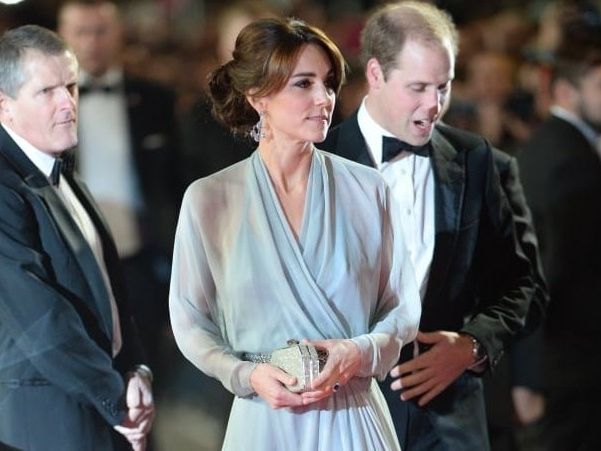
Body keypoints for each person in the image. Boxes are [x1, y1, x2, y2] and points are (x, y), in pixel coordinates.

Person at [169, 17, 421, 451]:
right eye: (304, 83)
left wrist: (359, 352)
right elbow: (190, 322)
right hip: (264, 418)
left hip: (353, 415)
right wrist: (246, 375)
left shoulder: (368, 190)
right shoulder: (209, 199)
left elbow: (403, 308)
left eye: (328, 83)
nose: (324, 98)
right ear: (258, 96)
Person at [320, 2, 541, 449]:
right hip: (341, 412)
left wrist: (472, 346)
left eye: (444, 86)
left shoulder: (476, 160)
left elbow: (522, 285)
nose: (435, 105)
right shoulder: (319, 159)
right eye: (418, 87)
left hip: (449, 416)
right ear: (376, 74)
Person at [0, 25, 154, 451]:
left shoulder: (63, 172)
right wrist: (115, 396)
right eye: (46, 91)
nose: (68, 103)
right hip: (47, 421)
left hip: (102, 404)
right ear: (4, 106)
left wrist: (137, 371)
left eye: (71, 86)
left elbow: (110, 291)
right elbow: (41, 319)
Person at [57, 0, 182, 375]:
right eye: (81, 32)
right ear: (62, 36)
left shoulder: (157, 100)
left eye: (100, 31)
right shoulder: (48, 101)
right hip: (71, 258)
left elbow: (176, 180)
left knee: (149, 370)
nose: (91, 42)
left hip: (142, 259)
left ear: (118, 34)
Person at [518, 37, 601, 451]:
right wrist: (528, 374)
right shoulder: (570, 160)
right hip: (570, 361)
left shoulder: (549, 145)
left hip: (564, 359)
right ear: (567, 92)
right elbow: (548, 270)